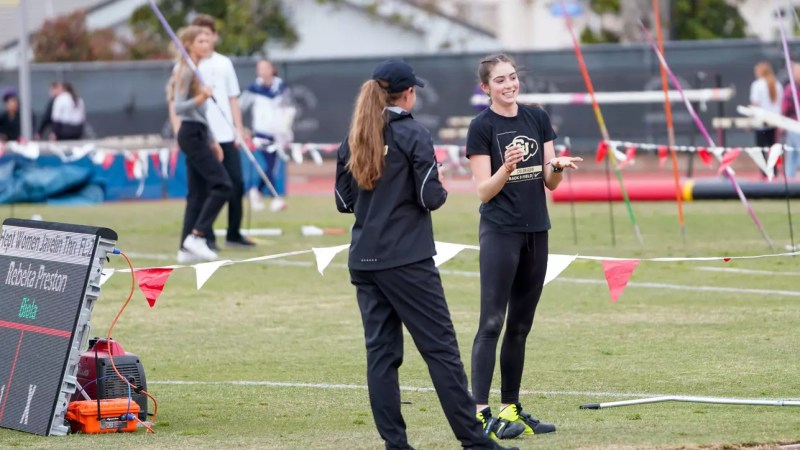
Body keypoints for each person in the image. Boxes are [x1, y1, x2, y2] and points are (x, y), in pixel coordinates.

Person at [335, 59, 517, 450]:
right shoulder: (412, 133)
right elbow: (429, 197)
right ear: (408, 94)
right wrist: (439, 184)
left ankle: (395, 445)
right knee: (442, 352)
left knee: (382, 357)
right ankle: (474, 442)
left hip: (363, 260)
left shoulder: (354, 135)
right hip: (407, 261)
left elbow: (343, 201)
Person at [466, 54, 582, 439]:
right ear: (486, 88)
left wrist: (559, 166)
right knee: (492, 323)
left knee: (520, 326)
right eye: (499, 80)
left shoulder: (537, 118)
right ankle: (480, 415)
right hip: (500, 232)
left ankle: (510, 408)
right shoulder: (481, 127)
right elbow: (483, 191)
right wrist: (507, 167)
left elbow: (549, 183)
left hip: (537, 231)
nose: (509, 85)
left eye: (512, 77)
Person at [168, 25, 232, 263]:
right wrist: (201, 96)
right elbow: (179, 107)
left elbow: (202, 114)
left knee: (197, 194)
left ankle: (185, 250)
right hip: (190, 133)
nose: (207, 45)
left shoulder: (197, 71)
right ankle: (197, 236)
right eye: (201, 41)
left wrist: (213, 140)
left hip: (200, 132)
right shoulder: (185, 71)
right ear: (189, 45)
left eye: (208, 40)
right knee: (223, 185)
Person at [190, 14, 254, 248]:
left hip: (227, 135)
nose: (204, 40)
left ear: (215, 37)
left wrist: (238, 129)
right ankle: (205, 236)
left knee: (235, 184)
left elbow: (233, 98)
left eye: (208, 35)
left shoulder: (224, 63)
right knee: (211, 187)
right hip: (204, 137)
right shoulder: (189, 65)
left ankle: (234, 233)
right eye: (199, 36)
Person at [239, 58, 294, 211]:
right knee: (268, 165)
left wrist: (285, 127)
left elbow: (288, 108)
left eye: (266, 68)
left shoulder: (281, 87)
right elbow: (239, 106)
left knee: (272, 166)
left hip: (277, 133)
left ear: (272, 69)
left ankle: (255, 191)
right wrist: (241, 127)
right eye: (260, 68)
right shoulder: (253, 88)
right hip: (261, 133)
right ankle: (275, 197)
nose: (263, 71)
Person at [781, 62, 800, 180]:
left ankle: (790, 176)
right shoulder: (791, 89)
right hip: (793, 125)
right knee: (793, 152)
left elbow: (785, 107)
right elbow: (786, 107)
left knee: (794, 152)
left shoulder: (792, 89)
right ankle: (789, 177)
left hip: (794, 124)